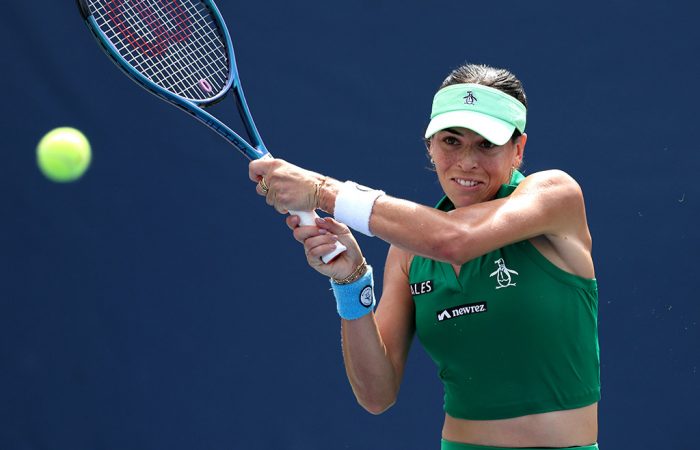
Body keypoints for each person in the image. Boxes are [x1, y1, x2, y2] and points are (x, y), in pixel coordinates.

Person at [249, 63, 600, 450]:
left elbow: (454, 239)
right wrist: (350, 282)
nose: (467, 162)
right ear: (429, 146)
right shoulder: (407, 250)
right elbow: (376, 395)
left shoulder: (555, 194)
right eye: (451, 141)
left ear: (518, 149)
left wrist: (320, 190)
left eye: (487, 144)